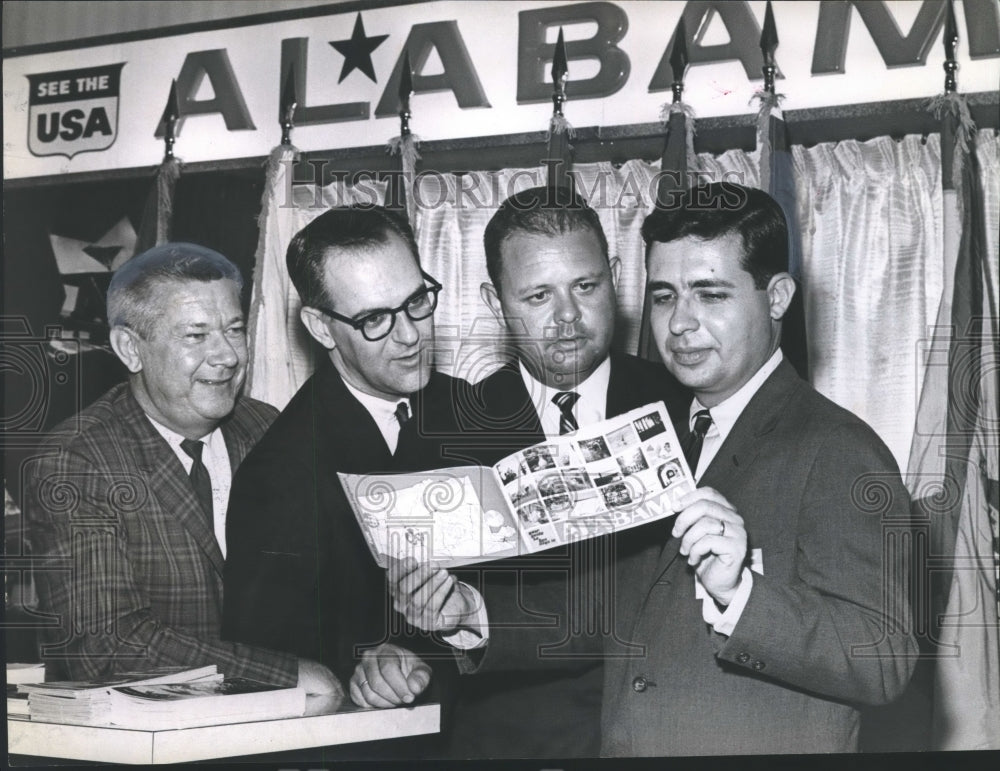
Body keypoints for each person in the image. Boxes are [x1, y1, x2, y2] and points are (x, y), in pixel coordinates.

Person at [382, 182, 918, 755]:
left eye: (710, 295)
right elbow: (613, 607)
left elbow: (883, 659)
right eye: (664, 296)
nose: (680, 324)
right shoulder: (671, 436)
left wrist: (740, 594)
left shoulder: (836, 446)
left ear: (778, 297)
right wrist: (473, 613)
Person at [353, 186, 689, 759]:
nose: (567, 317)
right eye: (537, 295)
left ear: (614, 277)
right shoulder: (442, 433)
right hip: (514, 746)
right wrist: (391, 651)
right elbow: (408, 616)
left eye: (585, 287)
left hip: (673, 735)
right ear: (495, 301)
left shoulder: (688, 408)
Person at [25, 243, 339, 696]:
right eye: (196, 336)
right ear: (130, 349)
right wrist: (285, 676)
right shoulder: (78, 460)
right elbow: (106, 646)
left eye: (234, 329)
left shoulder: (268, 427)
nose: (227, 356)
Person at [221, 206, 464, 747]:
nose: (409, 335)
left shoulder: (478, 410)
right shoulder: (279, 472)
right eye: (375, 319)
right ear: (320, 327)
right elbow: (266, 660)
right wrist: (364, 662)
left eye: (417, 301)